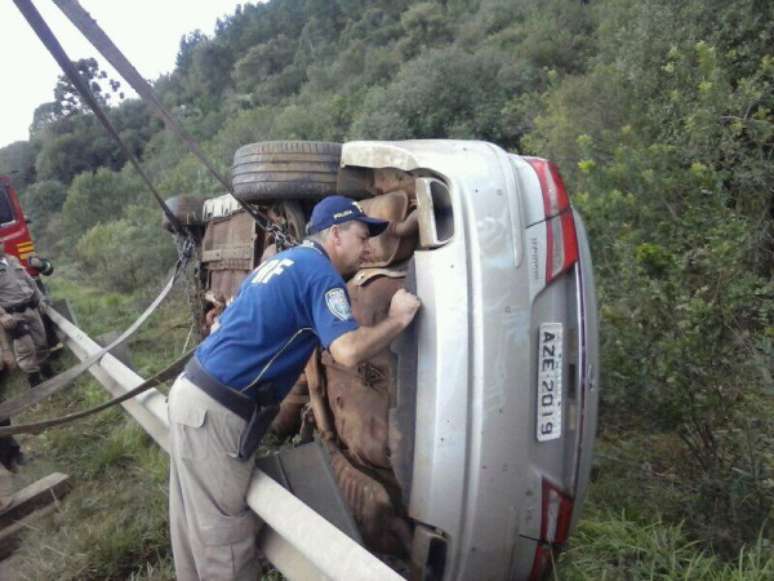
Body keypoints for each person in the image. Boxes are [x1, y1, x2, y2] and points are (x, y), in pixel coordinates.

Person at [168, 195, 421, 580]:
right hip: (216, 414)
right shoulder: (321, 275)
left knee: (194, 523)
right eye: (361, 235)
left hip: (192, 394)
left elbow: (225, 325)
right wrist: (398, 319)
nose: (368, 246)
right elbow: (348, 351)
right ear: (335, 234)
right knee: (225, 539)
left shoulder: (280, 263)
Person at [0, 243, 51, 387]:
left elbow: (30, 281)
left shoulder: (13, 260)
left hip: (31, 308)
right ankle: (34, 377)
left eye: (0, 242)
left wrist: (40, 298)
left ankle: (45, 368)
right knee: (26, 347)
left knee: (41, 341)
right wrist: (2, 315)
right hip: (13, 314)